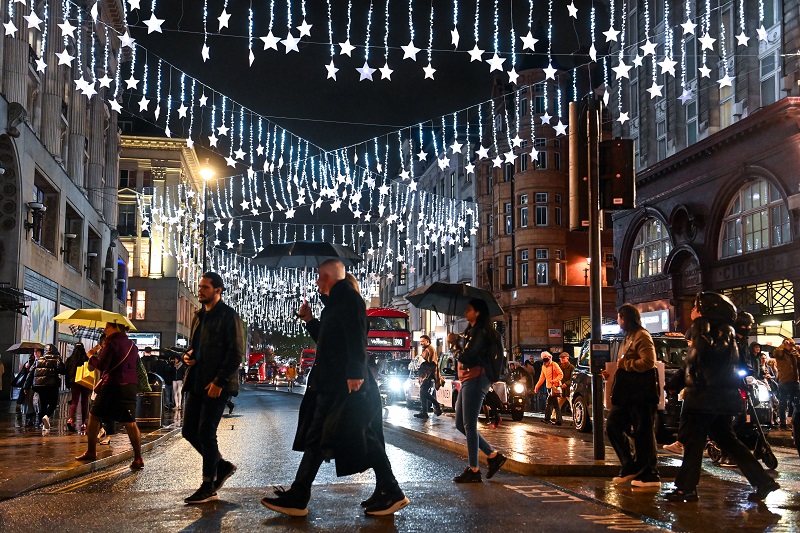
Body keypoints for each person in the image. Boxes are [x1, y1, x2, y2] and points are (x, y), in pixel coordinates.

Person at [261, 260, 408, 517]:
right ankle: (303, 494)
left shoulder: (349, 300)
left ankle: (390, 491)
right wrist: (309, 320)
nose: (317, 282)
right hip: (331, 384)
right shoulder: (334, 306)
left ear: (328, 277)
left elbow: (356, 337)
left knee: (355, 437)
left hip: (344, 385)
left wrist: (354, 373)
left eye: (319, 277)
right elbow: (328, 341)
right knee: (326, 438)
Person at [664, 292, 779, 503]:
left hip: (704, 398)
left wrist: (675, 384)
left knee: (693, 443)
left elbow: (696, 361)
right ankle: (763, 481)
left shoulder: (705, 329)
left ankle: (685, 488)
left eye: (697, 308)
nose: (692, 311)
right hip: (722, 398)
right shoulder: (727, 332)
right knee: (728, 441)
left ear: (707, 311)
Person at [181, 271, 243, 504]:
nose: (200, 290)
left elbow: (235, 353)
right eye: (200, 286)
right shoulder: (199, 316)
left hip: (217, 384)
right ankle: (222, 465)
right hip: (197, 380)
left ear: (218, 290)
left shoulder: (229, 316)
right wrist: (189, 356)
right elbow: (195, 347)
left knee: (207, 431)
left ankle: (208, 484)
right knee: (189, 431)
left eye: (205, 287)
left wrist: (219, 382)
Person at [603, 304, 661, 488]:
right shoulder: (628, 337)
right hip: (628, 393)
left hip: (641, 393)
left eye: (620, 317)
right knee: (612, 426)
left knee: (644, 431)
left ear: (626, 318)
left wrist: (625, 364)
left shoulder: (642, 336)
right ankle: (630, 465)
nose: (618, 321)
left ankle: (649, 472)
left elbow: (648, 362)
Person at [450, 298, 507, 483]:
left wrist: (454, 346)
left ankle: (474, 469)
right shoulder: (471, 332)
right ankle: (492, 456)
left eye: (469, 309)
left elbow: (468, 357)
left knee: (469, 424)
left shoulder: (480, 332)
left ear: (478, 312)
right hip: (468, 379)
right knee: (460, 423)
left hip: (476, 378)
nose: (465, 312)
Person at [76, 322, 144, 470]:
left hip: (112, 385)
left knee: (94, 415)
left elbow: (102, 365)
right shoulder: (133, 345)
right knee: (130, 421)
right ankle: (138, 458)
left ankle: (91, 451)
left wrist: (90, 356)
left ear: (116, 328)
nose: (104, 329)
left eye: (107, 326)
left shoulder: (111, 343)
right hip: (130, 386)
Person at [23, 344, 65, 431]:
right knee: (53, 403)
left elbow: (30, 373)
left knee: (43, 404)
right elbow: (62, 370)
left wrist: (26, 387)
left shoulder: (39, 359)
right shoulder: (56, 359)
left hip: (40, 385)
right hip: (52, 385)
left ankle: (42, 423)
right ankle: (46, 416)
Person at [773, 337, 800, 430]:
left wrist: (796, 352)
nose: (791, 347)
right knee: (783, 403)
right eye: (790, 345)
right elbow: (776, 352)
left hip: (795, 381)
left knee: (797, 402)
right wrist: (784, 344)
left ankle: (795, 422)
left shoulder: (793, 354)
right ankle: (783, 423)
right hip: (784, 381)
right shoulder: (780, 353)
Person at [415, 335, 442, 419]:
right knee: (422, 392)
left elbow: (431, 363)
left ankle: (438, 405)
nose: (421, 343)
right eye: (420, 341)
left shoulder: (429, 349)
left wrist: (421, 363)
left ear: (428, 341)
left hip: (427, 375)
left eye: (423, 341)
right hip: (425, 375)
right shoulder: (426, 349)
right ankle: (424, 412)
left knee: (423, 392)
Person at [64, 343, 90, 432]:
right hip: (85, 381)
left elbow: (66, 372)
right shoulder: (86, 359)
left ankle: (70, 419)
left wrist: (68, 383)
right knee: (84, 401)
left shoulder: (70, 360)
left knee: (74, 401)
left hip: (74, 382)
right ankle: (83, 423)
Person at [533, 351, 564, 425]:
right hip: (549, 387)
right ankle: (558, 420)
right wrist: (537, 386)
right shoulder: (543, 367)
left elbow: (561, 374)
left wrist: (554, 380)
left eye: (545, 358)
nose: (545, 360)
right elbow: (542, 378)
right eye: (543, 358)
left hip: (555, 387)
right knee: (555, 404)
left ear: (550, 357)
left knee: (549, 402)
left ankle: (548, 419)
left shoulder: (554, 364)